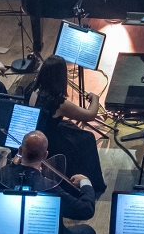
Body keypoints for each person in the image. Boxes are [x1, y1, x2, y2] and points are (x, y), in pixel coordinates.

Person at [29, 55, 106, 193]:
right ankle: (88, 184)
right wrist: (95, 99)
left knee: (70, 127)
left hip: (36, 130)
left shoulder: (31, 90)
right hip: (50, 140)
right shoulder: (58, 103)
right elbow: (90, 115)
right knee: (87, 139)